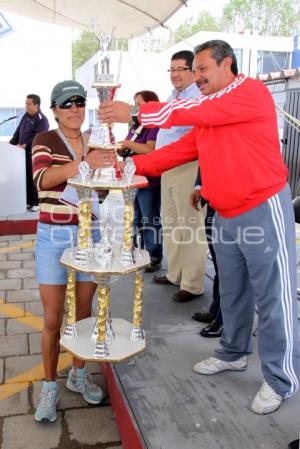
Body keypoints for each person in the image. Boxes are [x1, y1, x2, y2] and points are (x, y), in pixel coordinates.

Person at [99, 40, 300, 414]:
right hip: (224, 213)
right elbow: (177, 151)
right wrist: (124, 168)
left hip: (262, 208)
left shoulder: (249, 92)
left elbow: (187, 110)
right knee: (234, 293)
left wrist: (139, 112)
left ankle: (280, 380)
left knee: (274, 298)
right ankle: (233, 352)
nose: (198, 77)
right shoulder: (211, 115)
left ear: (228, 65)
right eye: (197, 71)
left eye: (204, 69)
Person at [32, 80, 116, 423]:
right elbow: (42, 180)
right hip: (53, 236)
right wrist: (85, 161)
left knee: (83, 311)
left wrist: (110, 171)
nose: (74, 108)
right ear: (54, 109)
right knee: (53, 318)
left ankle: (78, 374)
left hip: (89, 233)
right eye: (66, 103)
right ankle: (49, 385)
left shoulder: (96, 139)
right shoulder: (45, 140)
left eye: (80, 102)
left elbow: (104, 189)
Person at [140, 51, 208, 302]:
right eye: (171, 70)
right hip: (167, 168)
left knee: (189, 226)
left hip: (188, 167)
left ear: (194, 71)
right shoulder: (173, 97)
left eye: (181, 69)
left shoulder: (197, 98)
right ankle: (175, 273)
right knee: (171, 224)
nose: (175, 74)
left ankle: (192, 284)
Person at [120, 90, 162, 272]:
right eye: (134, 104)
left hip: (148, 181)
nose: (136, 108)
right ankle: (137, 251)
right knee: (134, 218)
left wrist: (128, 144)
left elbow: (150, 150)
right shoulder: (136, 126)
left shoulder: (154, 126)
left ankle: (154, 255)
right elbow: (130, 147)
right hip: (132, 178)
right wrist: (122, 149)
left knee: (149, 218)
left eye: (139, 104)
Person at [190, 172, 223, 338]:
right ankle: (217, 310)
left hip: (236, 199)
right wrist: (199, 185)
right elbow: (205, 156)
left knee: (229, 268)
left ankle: (224, 319)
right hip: (213, 200)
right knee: (220, 264)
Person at [10, 94, 49, 211]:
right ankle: (28, 201)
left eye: (29, 104)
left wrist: (25, 146)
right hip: (20, 155)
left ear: (36, 105)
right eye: (26, 103)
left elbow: (38, 138)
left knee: (33, 178)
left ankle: (36, 203)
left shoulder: (42, 120)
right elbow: (18, 132)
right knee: (24, 178)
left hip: (33, 155)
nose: (26, 106)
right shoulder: (25, 117)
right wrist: (11, 144)